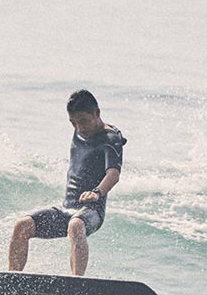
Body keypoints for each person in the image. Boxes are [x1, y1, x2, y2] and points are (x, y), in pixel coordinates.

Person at [8, 89, 124, 276]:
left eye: (83, 121)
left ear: (97, 113)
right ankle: (12, 278)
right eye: (73, 123)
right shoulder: (79, 129)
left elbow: (113, 174)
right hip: (66, 209)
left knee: (76, 226)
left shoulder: (111, 139)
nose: (79, 127)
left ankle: (77, 282)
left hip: (91, 212)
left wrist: (97, 192)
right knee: (22, 226)